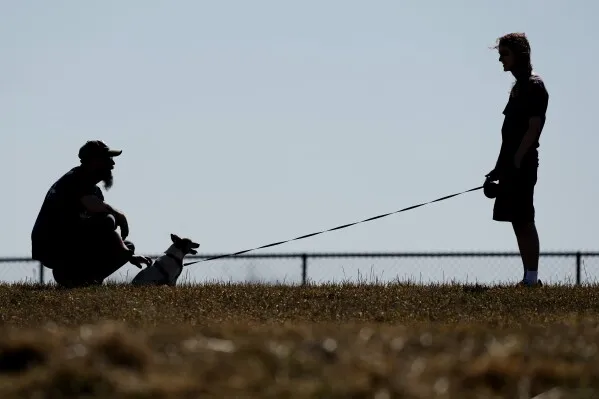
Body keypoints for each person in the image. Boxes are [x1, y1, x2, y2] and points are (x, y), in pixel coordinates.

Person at [31, 140, 152, 288]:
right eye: (108, 159)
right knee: (107, 220)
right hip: (52, 244)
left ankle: (83, 281)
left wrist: (127, 255)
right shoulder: (75, 178)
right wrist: (119, 216)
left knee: (126, 246)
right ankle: (70, 275)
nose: (112, 164)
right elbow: (95, 209)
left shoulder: (92, 188)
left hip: (69, 241)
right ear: (94, 161)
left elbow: (104, 227)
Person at [485, 33, 549, 287]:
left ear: (519, 55)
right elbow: (508, 133)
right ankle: (528, 277)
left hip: (523, 164)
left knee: (524, 218)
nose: (501, 59)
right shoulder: (518, 87)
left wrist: (518, 159)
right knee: (516, 218)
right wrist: (499, 168)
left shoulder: (534, 86)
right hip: (512, 164)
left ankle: (531, 279)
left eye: (505, 54)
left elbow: (534, 127)